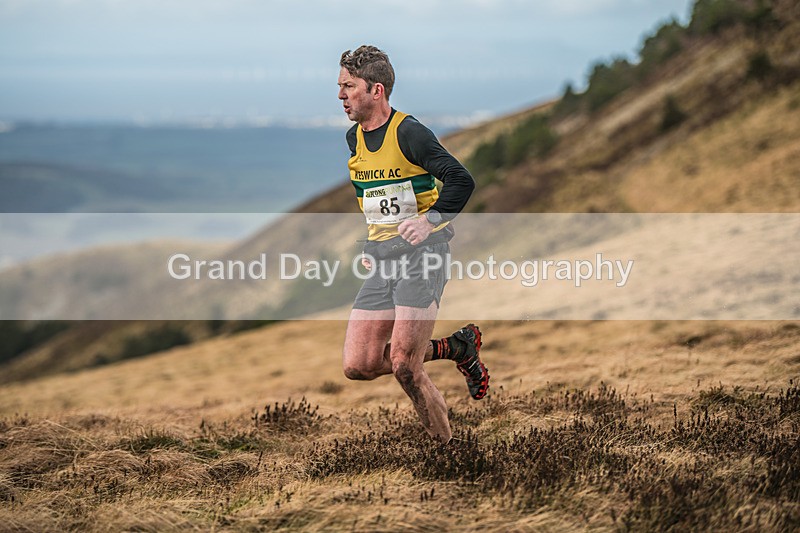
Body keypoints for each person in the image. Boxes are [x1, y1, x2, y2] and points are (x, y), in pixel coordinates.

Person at [338, 45, 490, 444]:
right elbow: (376, 203)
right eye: (339, 86)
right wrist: (373, 247)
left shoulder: (409, 133)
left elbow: (462, 180)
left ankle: (448, 453)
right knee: (359, 364)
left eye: (349, 87)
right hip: (384, 259)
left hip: (424, 256)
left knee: (406, 366)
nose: (341, 96)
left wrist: (430, 221)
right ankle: (458, 347)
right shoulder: (354, 139)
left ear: (376, 91)